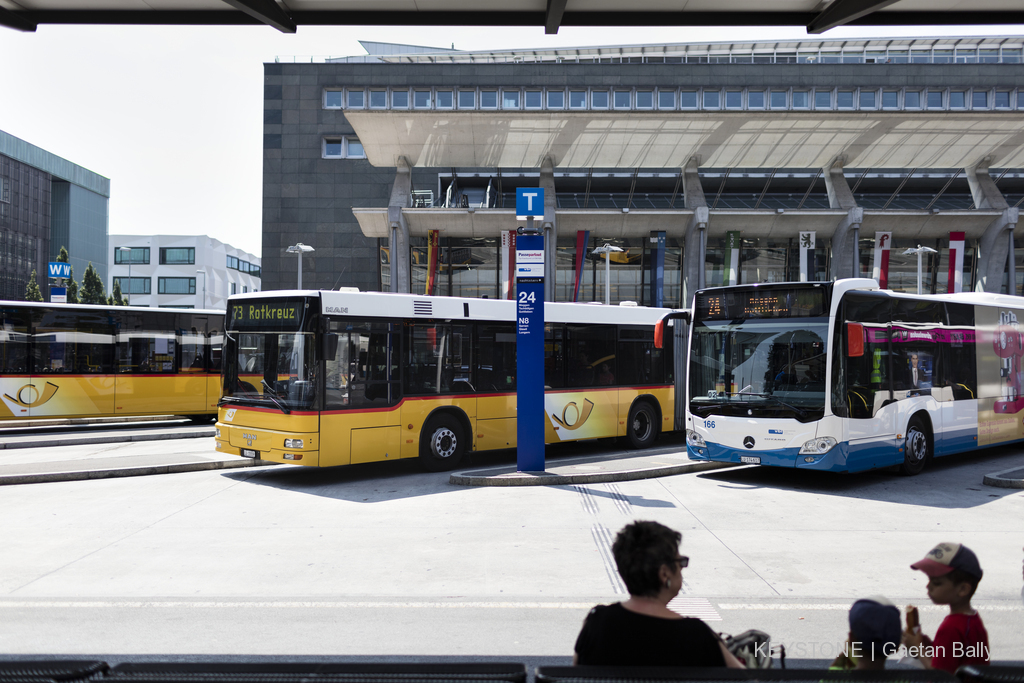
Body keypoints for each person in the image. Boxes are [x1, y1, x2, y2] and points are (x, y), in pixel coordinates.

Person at [573, 521, 745, 667]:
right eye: (680, 562)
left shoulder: (596, 624)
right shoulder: (698, 636)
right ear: (664, 574)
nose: (682, 568)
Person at [902, 542, 989, 674]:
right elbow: (952, 658)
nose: (928, 586)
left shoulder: (951, 627)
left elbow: (941, 675)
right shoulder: (973, 620)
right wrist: (925, 644)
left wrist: (919, 648)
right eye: (929, 580)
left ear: (963, 589)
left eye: (937, 583)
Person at [829, 597, 901, 670]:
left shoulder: (834, 678)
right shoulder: (906, 680)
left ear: (851, 639)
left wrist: (835, 668)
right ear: (896, 646)